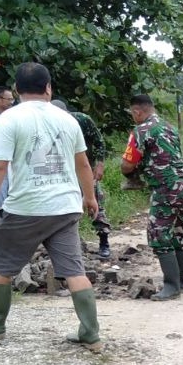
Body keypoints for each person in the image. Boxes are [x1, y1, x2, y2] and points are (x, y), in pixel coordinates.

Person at [0, 62, 101, 351]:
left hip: (26, 207)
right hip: (66, 207)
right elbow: (83, 164)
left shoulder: (9, 119)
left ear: (16, 90)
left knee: (0, 264)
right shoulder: (68, 120)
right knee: (74, 271)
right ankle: (90, 333)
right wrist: (90, 198)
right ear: (49, 87)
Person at [123, 93, 183, 301]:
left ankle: (171, 286)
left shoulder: (141, 131)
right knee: (177, 234)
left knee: (159, 235)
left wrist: (130, 175)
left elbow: (127, 164)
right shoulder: (169, 127)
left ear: (137, 112)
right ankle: (180, 283)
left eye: (132, 114)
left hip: (166, 189)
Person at [52, 99, 113, 260]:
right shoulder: (46, 124)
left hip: (85, 166)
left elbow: (99, 142)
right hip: (60, 169)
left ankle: (104, 241)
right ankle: (66, 245)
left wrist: (99, 164)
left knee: (94, 201)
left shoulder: (81, 120)